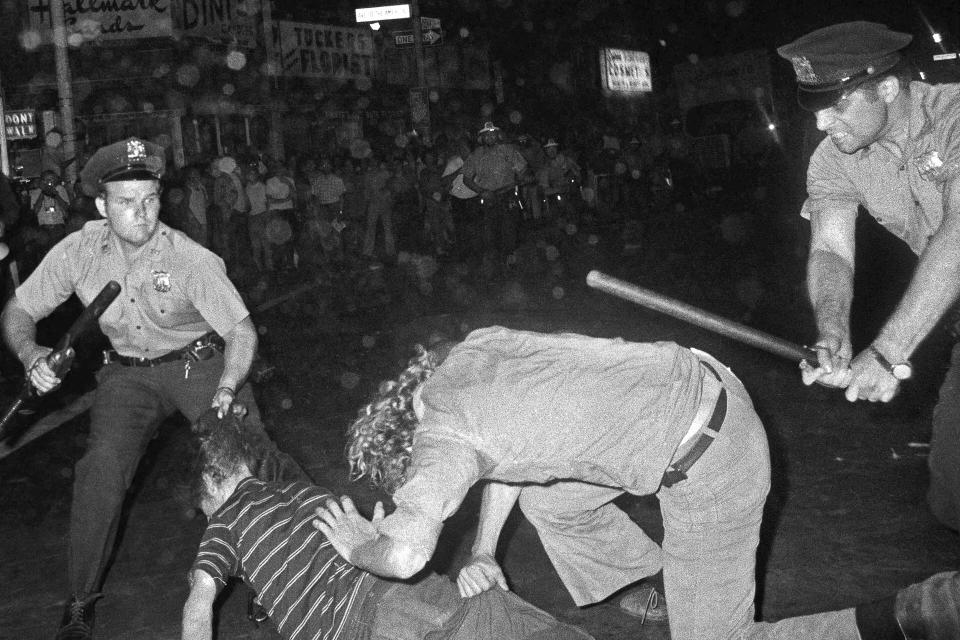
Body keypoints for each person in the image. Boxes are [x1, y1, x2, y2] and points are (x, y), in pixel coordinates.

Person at [314, 327, 960, 640]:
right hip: (705, 381)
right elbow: (501, 458)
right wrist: (483, 552)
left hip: (712, 463)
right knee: (548, 499)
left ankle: (905, 617)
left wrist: (358, 546)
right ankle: (670, 580)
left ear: (409, 447)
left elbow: (403, 554)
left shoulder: (442, 441)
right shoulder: (473, 352)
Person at [0, 137, 308, 640]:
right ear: (101, 205)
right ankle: (79, 602)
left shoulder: (190, 258)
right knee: (100, 470)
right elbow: (18, 310)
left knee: (253, 462)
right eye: (126, 203)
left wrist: (228, 388)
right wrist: (31, 353)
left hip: (202, 364)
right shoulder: (78, 250)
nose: (142, 214)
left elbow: (241, 332)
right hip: (127, 374)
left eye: (150, 200)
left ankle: (279, 579)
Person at [183, 408, 593, 640]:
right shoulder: (303, 493)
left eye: (203, 508)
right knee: (505, 624)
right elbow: (371, 546)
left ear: (209, 483)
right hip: (402, 588)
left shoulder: (223, 524)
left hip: (352, 628)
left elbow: (200, 601)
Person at [776, 22, 960, 531]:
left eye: (836, 106)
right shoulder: (834, 159)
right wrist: (832, 334)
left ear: (886, 87)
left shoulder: (954, 115)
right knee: (953, 496)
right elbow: (832, 250)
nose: (821, 123)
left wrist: (888, 351)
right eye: (816, 108)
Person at [460, 123, 530, 270]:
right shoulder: (476, 155)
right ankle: (494, 262)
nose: (490, 137)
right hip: (488, 197)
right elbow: (466, 178)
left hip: (508, 195)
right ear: (482, 138)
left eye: (493, 134)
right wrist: (481, 191)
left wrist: (521, 177)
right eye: (487, 135)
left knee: (509, 228)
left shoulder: (508, 150)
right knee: (490, 231)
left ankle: (510, 259)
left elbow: (523, 169)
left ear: (497, 135)